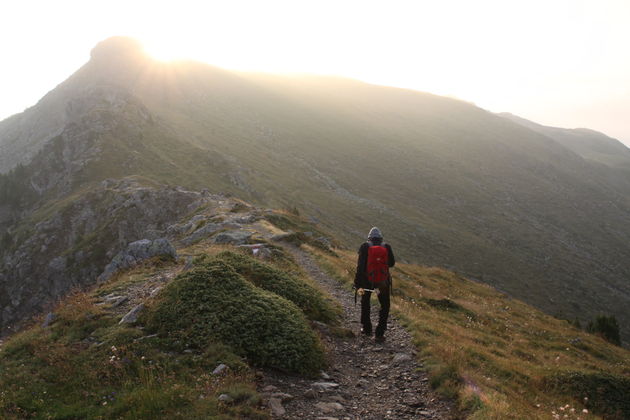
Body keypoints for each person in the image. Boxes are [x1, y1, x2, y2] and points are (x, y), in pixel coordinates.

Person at [354, 227, 395, 343]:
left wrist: (357, 283)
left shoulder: (364, 246)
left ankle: (366, 329)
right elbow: (391, 263)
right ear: (381, 237)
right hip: (382, 282)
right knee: (385, 305)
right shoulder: (386, 247)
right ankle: (379, 333)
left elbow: (360, 267)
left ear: (369, 237)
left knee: (365, 302)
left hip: (366, 281)